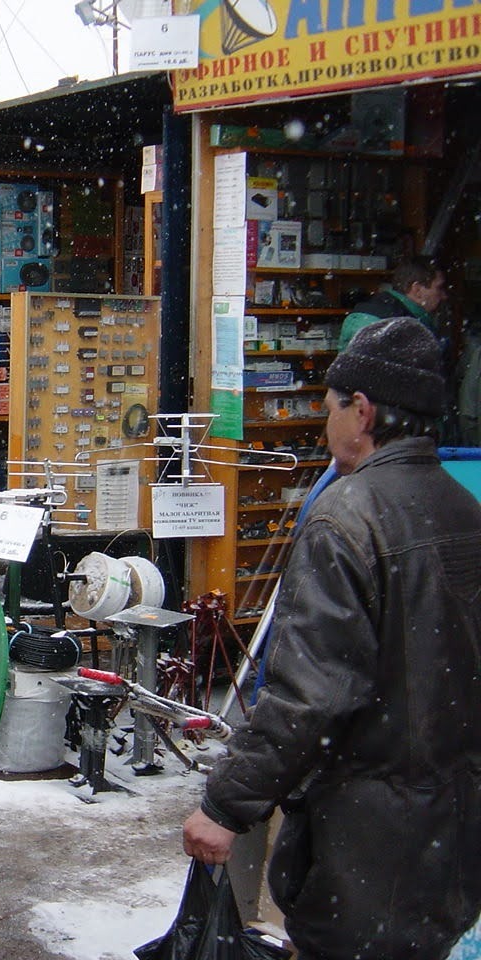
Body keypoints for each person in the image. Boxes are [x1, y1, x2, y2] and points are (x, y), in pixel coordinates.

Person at [182, 317, 481, 960]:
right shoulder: (465, 510)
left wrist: (227, 804)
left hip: (368, 845)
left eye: (331, 409)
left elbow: (309, 697)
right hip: (452, 833)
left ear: (363, 411)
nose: (325, 428)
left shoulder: (348, 517)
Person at [338, 254, 447, 349]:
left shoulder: (389, 316)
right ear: (417, 289)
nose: (444, 296)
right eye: (439, 288)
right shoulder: (381, 322)